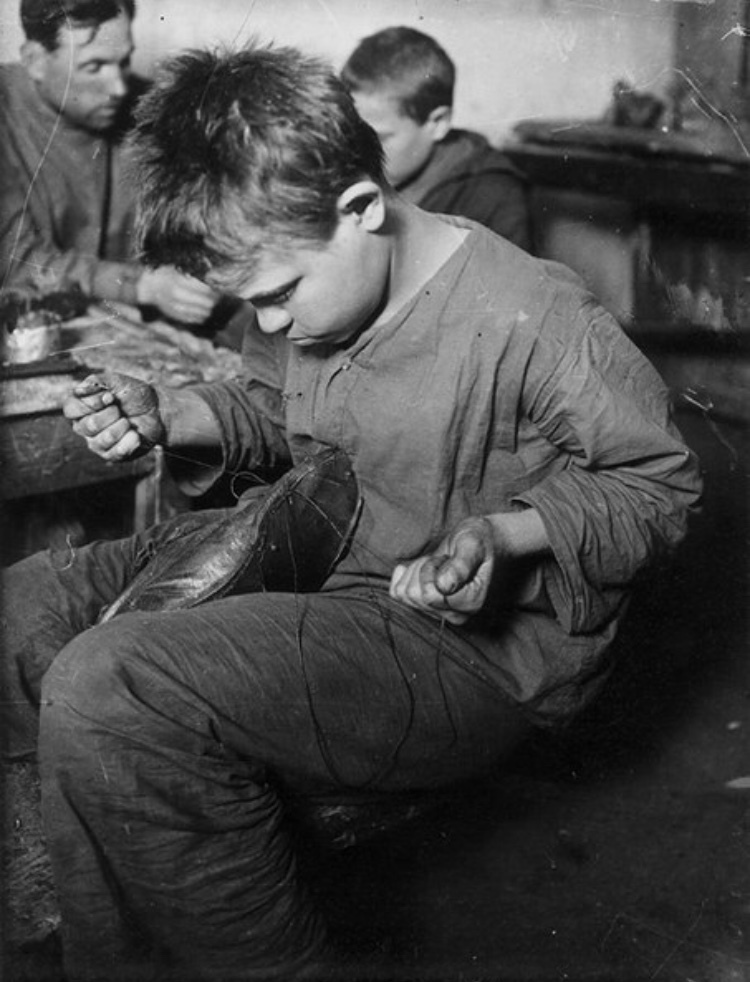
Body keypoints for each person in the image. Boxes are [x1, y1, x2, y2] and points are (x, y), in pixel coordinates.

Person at [1, 40, 701, 982]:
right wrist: (176, 411)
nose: (275, 325)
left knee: (112, 687)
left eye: (280, 297)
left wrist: (507, 531)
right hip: (304, 549)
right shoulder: (311, 274)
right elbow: (274, 412)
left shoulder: (537, 316)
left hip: (459, 652)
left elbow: (658, 488)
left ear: (362, 208)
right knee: (24, 608)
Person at [0, 0, 220, 328]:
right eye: (94, 66)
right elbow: (15, 260)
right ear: (35, 61)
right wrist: (142, 286)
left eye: (124, 61)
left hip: (130, 331)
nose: (118, 88)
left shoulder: (150, 108)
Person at [341, 25, 534, 252]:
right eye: (349, 135)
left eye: (376, 138)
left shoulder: (491, 195)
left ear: (438, 123)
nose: (355, 155)